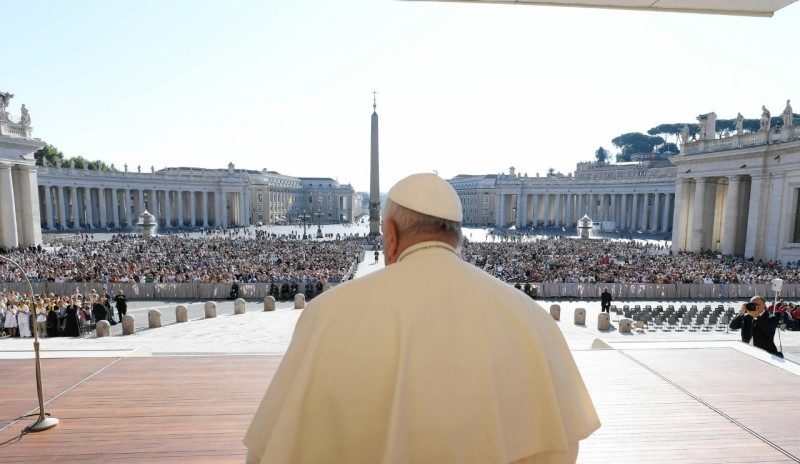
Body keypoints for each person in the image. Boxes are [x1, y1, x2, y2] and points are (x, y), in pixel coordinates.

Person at [245, 173, 600, 464]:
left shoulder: (327, 313)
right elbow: (562, 448)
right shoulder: (531, 317)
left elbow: (271, 449)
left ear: (391, 236)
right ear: (458, 237)